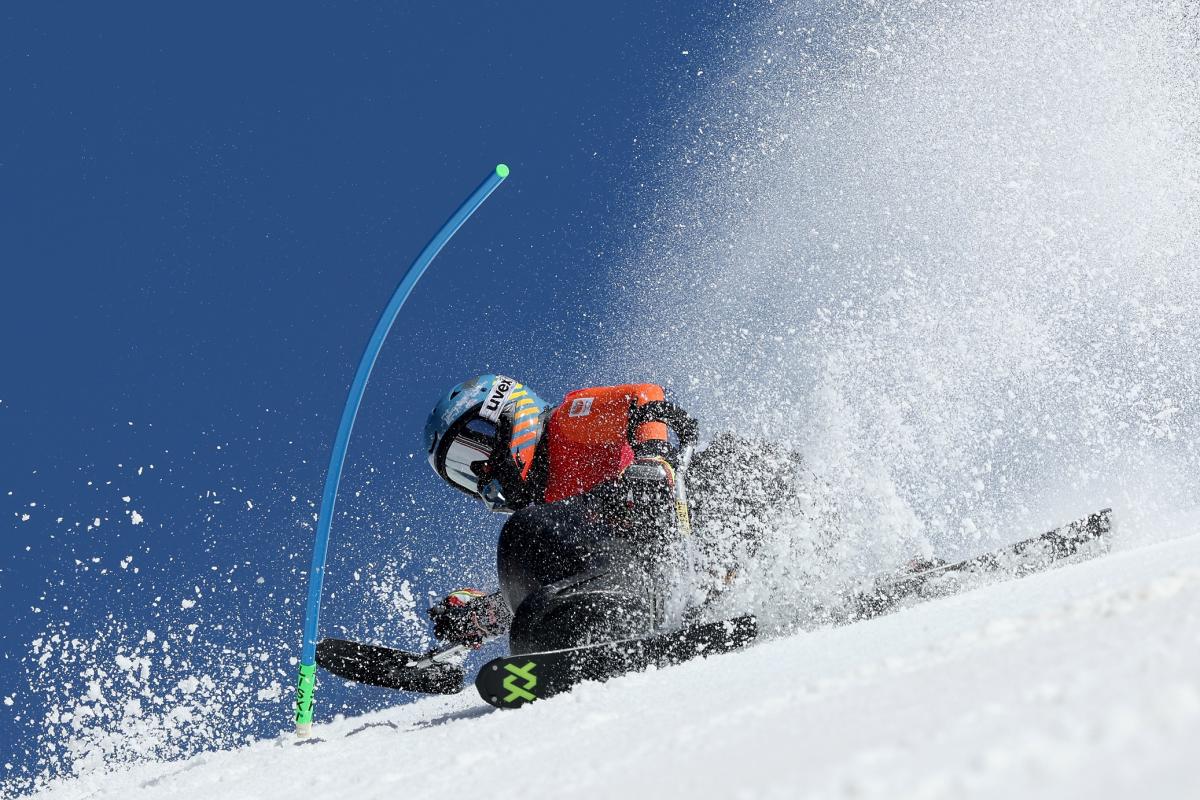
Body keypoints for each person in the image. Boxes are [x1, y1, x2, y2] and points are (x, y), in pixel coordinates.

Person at [422, 374, 702, 654]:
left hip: (690, 520)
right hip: (641, 574)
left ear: (506, 416)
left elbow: (644, 398)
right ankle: (579, 642)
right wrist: (481, 615)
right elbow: (572, 575)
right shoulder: (548, 516)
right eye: (465, 473)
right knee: (524, 544)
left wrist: (652, 459)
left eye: (480, 450)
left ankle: (603, 627)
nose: (483, 473)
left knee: (523, 531)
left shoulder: (565, 424)